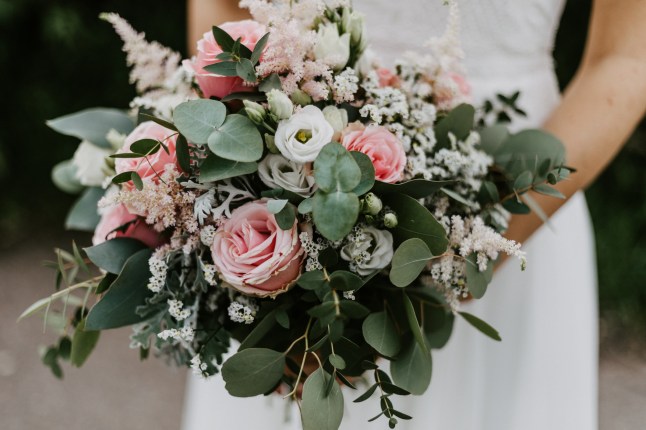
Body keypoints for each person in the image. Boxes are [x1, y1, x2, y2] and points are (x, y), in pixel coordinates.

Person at [182, 1, 646, 429]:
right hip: (281, 197)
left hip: (515, 198)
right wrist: (242, 171)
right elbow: (222, 10)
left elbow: (625, 60)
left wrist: (473, 242)